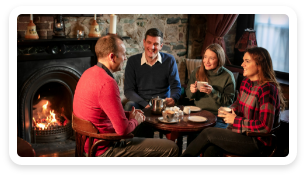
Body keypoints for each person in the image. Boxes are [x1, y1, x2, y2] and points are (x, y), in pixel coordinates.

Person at [73, 34, 179, 157]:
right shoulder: (107, 83)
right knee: (172, 148)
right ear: (112, 57)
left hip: (87, 145)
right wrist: (136, 120)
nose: (125, 58)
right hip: (105, 149)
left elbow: (103, 113)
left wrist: (129, 115)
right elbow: (122, 131)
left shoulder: (88, 73)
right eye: (123, 54)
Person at [181, 47, 285, 157]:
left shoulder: (267, 89)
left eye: (247, 61)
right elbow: (237, 103)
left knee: (208, 133)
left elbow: (265, 127)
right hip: (239, 133)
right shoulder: (246, 82)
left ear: (259, 65)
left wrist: (235, 119)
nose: (242, 64)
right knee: (210, 149)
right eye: (243, 60)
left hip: (256, 141)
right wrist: (229, 110)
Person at [124, 28, 181, 138]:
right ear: (144, 42)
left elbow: (176, 86)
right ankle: (136, 145)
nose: (152, 47)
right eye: (149, 43)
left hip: (162, 105)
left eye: (156, 44)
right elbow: (128, 90)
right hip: (140, 103)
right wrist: (144, 104)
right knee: (129, 105)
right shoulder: (133, 61)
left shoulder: (169, 60)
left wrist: (173, 98)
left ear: (161, 45)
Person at [185, 43, 236, 146]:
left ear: (219, 59)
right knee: (192, 137)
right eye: (205, 57)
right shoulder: (197, 71)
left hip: (218, 117)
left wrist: (212, 92)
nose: (206, 61)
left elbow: (228, 102)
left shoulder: (228, 76)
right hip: (198, 114)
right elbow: (189, 95)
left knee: (210, 142)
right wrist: (192, 91)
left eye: (211, 58)